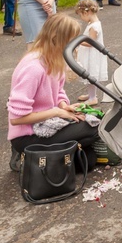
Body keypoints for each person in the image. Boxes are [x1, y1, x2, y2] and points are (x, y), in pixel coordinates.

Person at [7, 14, 99, 173]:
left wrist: (64, 106)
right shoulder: (33, 68)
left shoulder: (54, 58)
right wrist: (57, 112)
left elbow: (58, 91)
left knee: (90, 156)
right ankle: (25, 154)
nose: (75, 46)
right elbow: (16, 119)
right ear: (57, 39)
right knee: (94, 129)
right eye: (71, 41)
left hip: (48, 122)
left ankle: (50, 160)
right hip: (28, 133)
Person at [75, 0, 108, 105]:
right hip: (90, 54)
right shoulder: (93, 23)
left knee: (90, 75)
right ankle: (90, 94)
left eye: (81, 15)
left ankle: (93, 97)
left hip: (92, 55)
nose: (81, 18)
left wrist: (77, 42)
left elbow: (91, 43)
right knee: (89, 75)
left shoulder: (94, 27)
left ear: (87, 12)